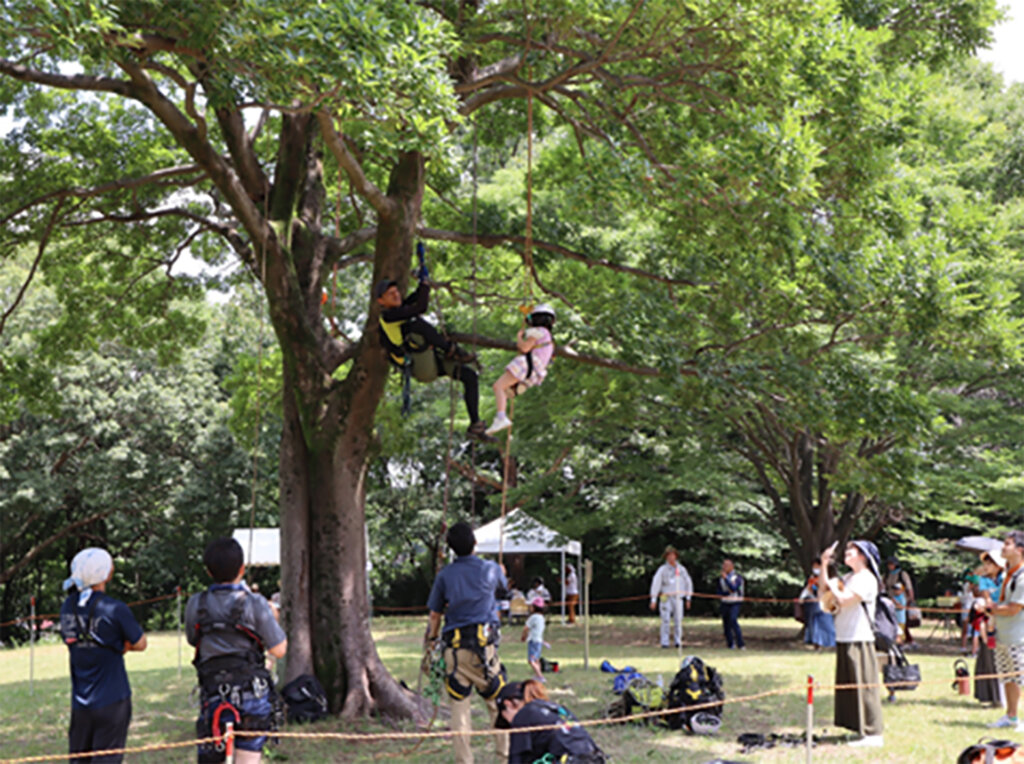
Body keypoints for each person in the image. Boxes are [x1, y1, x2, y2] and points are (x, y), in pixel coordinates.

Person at [186, 537, 287, 764]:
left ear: (208, 572)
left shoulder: (195, 604)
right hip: (252, 694)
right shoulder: (256, 603)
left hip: (212, 692)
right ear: (242, 569)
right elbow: (279, 649)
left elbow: (194, 640)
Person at [425, 521, 510, 764]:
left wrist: (432, 638)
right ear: (475, 543)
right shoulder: (491, 569)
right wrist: (501, 573)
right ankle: (503, 758)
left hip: (455, 652)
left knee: (459, 709)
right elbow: (503, 592)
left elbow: (435, 614)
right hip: (484, 650)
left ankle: (465, 761)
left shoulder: (445, 575)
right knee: (497, 703)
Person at [59, 547, 148, 764]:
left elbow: (71, 640)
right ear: (105, 573)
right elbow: (140, 643)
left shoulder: (67, 607)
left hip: (80, 701)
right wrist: (120, 645)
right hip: (112, 699)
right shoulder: (115, 608)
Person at [375, 275, 487, 440]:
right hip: (420, 365)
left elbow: (415, 298)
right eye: (390, 294)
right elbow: (420, 307)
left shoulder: (399, 310)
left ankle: (475, 424)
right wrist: (425, 286)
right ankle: (452, 350)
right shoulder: (388, 317)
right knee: (416, 325)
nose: (396, 294)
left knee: (470, 377)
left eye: (396, 291)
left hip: (432, 359)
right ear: (381, 301)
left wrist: (423, 282)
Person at [819, 540, 884, 748]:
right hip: (844, 635)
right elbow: (824, 591)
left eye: (851, 551)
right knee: (850, 686)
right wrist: (823, 565)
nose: (846, 553)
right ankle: (858, 729)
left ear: (863, 556)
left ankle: (874, 734)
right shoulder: (848, 577)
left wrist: (831, 585)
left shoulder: (867, 579)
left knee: (864, 685)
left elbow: (846, 599)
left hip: (860, 637)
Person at [495, 680, 606, 763]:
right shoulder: (557, 709)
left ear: (508, 704)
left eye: (506, 719)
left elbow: (516, 760)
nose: (510, 724)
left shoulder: (522, 716)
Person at [485, 304, 556, 435]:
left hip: (527, 364)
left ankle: (501, 417)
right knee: (503, 391)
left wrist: (519, 337)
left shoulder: (538, 331)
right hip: (536, 370)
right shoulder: (549, 338)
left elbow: (524, 348)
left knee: (498, 386)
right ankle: (515, 388)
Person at [983, 531, 1024, 730]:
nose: (1003, 547)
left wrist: (989, 608)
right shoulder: (1008, 574)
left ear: (1019, 550)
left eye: (1007, 544)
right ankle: (1011, 716)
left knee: (1022, 678)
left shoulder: (1023, 576)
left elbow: (1014, 608)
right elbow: (1003, 603)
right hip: (1003, 636)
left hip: (1020, 638)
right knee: (1009, 678)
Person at [975, 550, 1005, 707]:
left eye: (989, 564)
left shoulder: (1007, 578)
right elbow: (986, 598)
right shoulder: (984, 580)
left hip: (1007, 617)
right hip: (990, 618)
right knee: (989, 654)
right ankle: (991, 696)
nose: (986, 567)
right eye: (985, 564)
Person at [648, 546, 693, 648]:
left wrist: (688, 597)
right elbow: (656, 584)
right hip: (666, 597)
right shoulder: (662, 570)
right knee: (665, 620)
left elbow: (688, 583)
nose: (671, 558)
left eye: (672, 555)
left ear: (676, 556)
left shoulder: (681, 569)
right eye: (668, 556)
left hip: (678, 597)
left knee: (678, 620)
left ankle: (678, 641)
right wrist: (653, 599)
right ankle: (665, 642)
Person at [801, 557, 836, 650]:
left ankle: (829, 643)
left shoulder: (831, 578)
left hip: (827, 604)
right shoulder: (812, 579)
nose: (815, 568)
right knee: (815, 624)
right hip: (814, 604)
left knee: (827, 624)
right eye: (814, 566)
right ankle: (816, 643)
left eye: (817, 566)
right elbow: (809, 590)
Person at [884, 556, 916, 647]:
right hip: (890, 599)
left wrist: (911, 598)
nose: (890, 566)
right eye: (889, 564)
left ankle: (906, 640)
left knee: (902, 621)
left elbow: (909, 586)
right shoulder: (887, 574)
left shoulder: (902, 574)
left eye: (892, 564)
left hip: (902, 599)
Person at [716, 559, 745, 650]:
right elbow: (719, 591)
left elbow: (733, 588)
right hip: (725, 602)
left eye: (726, 565)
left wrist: (726, 579)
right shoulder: (721, 578)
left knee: (733, 620)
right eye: (723, 565)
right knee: (726, 624)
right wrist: (724, 594)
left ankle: (741, 644)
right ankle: (730, 644)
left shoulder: (737, 577)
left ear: (732, 566)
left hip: (735, 602)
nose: (724, 567)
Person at [522, 598, 549, 680]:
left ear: (534, 607)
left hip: (533, 641)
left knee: (531, 661)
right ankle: (537, 675)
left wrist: (524, 636)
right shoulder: (542, 617)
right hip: (539, 641)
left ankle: (540, 676)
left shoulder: (533, 617)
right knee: (536, 659)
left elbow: (526, 628)